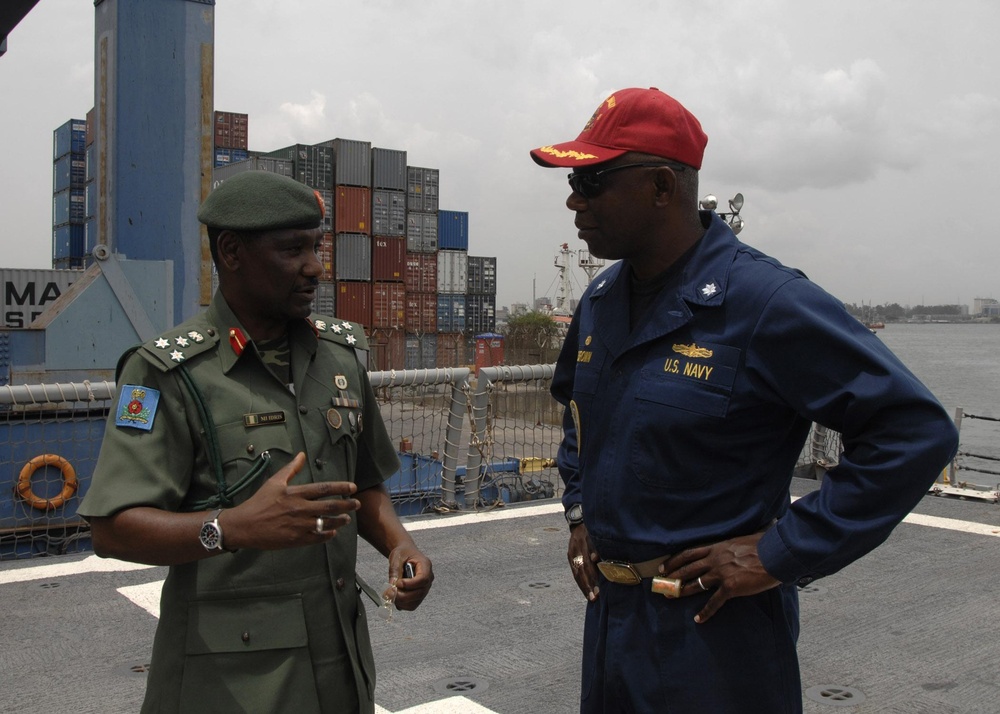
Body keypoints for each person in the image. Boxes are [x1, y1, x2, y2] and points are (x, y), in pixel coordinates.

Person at [531, 87, 958, 713]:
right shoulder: (600, 302)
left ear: (660, 186)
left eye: (592, 181)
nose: (574, 199)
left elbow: (914, 433)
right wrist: (580, 512)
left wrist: (781, 551)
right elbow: (578, 417)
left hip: (714, 637)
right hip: (612, 626)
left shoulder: (766, 302)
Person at [79, 170, 433, 714]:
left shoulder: (339, 357)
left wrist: (399, 544)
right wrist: (233, 528)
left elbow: (363, 482)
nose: (315, 267)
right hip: (230, 684)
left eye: (316, 247)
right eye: (293, 250)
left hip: (342, 672)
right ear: (232, 252)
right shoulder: (169, 374)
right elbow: (112, 529)